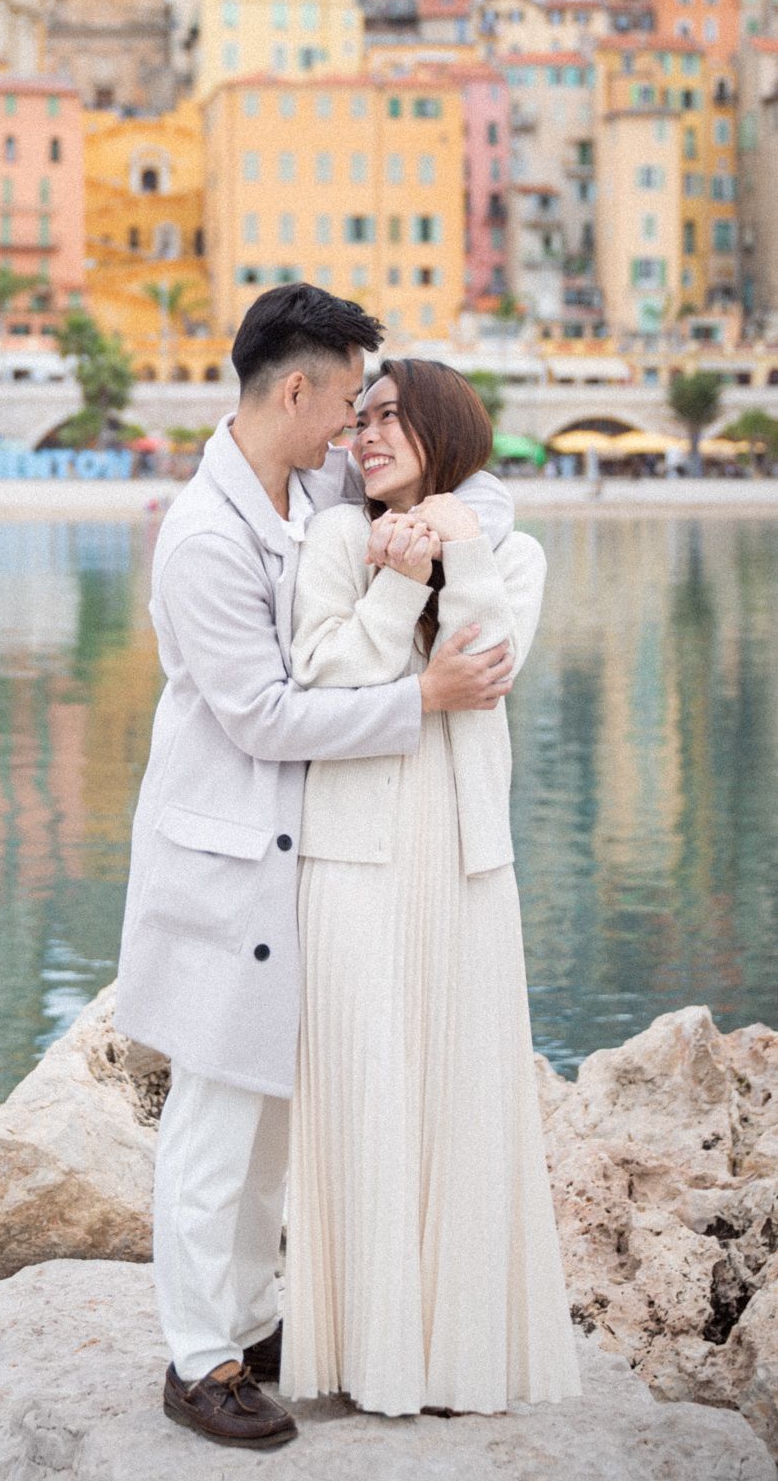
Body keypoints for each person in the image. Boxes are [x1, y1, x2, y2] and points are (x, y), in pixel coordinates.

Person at [115, 285, 517, 1451]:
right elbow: (263, 714)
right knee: (214, 1117)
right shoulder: (205, 535)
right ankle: (197, 1358)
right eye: (348, 400)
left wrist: (435, 530)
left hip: (303, 860)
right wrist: (421, 696)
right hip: (226, 856)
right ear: (296, 390)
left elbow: (474, 485)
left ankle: (249, 1319)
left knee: (271, 1124)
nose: (357, 426)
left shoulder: (316, 481)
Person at [282, 359, 580, 1417]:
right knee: (362, 1093)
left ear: (444, 429)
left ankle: (460, 1360)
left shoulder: (513, 551)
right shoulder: (334, 539)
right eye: (358, 419)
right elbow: (321, 672)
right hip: (350, 854)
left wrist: (459, 552)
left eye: (389, 417)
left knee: (463, 1097)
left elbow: (487, 668)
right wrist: (398, 583)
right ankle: (367, 1356)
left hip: (464, 856)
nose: (364, 435)